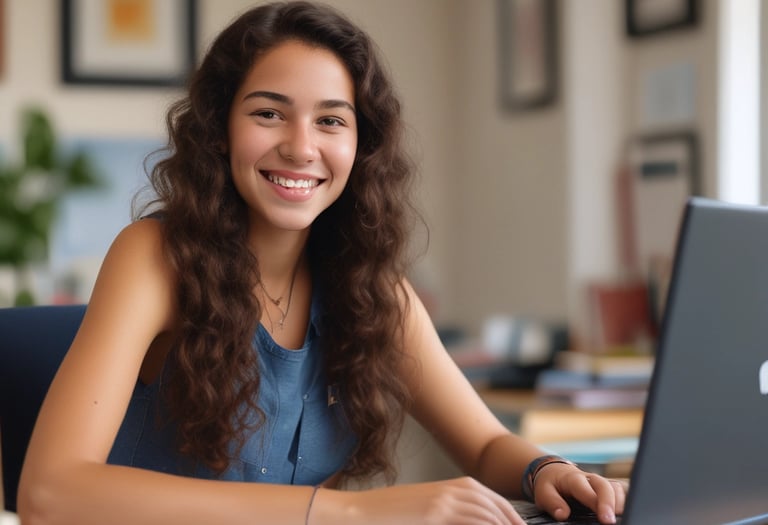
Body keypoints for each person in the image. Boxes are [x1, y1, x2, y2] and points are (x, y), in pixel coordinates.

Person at [18, 2, 626, 524]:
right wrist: (352, 512)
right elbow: (49, 493)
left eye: (331, 120)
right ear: (221, 130)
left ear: (360, 146)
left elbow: (488, 441)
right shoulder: (154, 257)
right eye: (268, 113)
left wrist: (546, 470)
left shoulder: (369, 287)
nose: (301, 147)